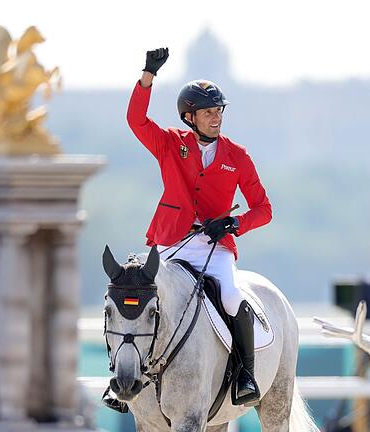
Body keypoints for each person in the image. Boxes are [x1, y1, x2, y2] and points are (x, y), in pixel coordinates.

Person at [103, 47, 272, 411]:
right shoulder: (169, 143)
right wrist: (148, 76)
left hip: (214, 248)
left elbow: (264, 209)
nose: (216, 118)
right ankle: (118, 380)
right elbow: (136, 120)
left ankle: (245, 374)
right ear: (189, 116)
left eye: (219, 111)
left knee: (231, 297)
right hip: (171, 241)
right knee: (136, 290)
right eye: (209, 112)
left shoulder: (237, 156)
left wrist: (234, 223)